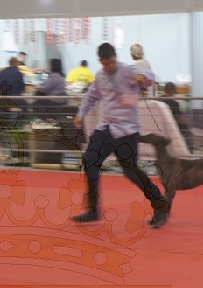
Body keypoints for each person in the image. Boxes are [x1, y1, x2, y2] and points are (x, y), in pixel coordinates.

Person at [72, 43, 169, 228]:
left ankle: (160, 205)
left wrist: (143, 78)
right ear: (100, 61)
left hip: (127, 130)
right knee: (90, 161)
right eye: (105, 63)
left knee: (131, 172)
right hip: (106, 127)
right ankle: (93, 210)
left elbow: (150, 77)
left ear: (115, 57)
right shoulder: (100, 76)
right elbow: (91, 96)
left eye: (111, 62)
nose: (109, 66)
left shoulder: (128, 70)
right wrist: (80, 114)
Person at [159, 82, 191, 148]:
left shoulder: (157, 101)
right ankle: (189, 149)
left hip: (159, 125)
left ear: (164, 90)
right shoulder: (174, 103)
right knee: (185, 128)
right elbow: (180, 119)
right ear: (173, 92)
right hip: (172, 126)